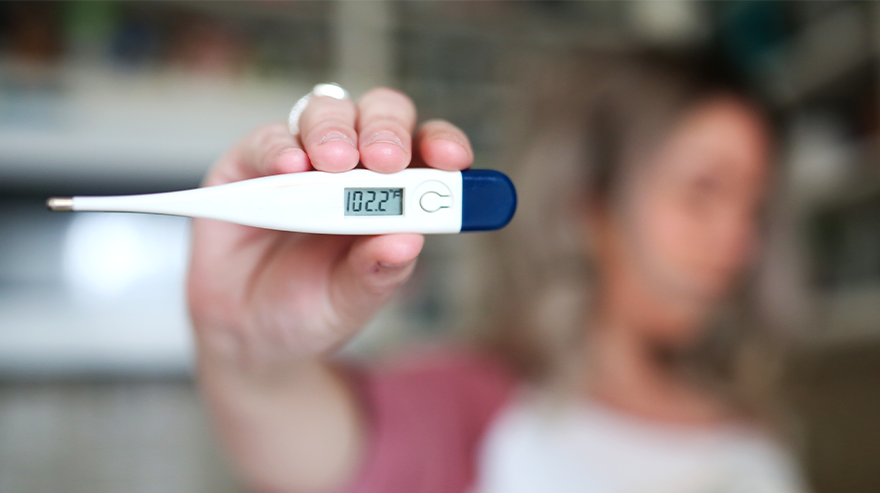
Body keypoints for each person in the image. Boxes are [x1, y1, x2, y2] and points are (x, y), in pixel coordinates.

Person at [187, 50, 808, 493]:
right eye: (704, 190)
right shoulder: (464, 405)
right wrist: (246, 355)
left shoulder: (749, 419)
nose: (739, 238)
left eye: (752, 205)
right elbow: (299, 445)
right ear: (589, 204)